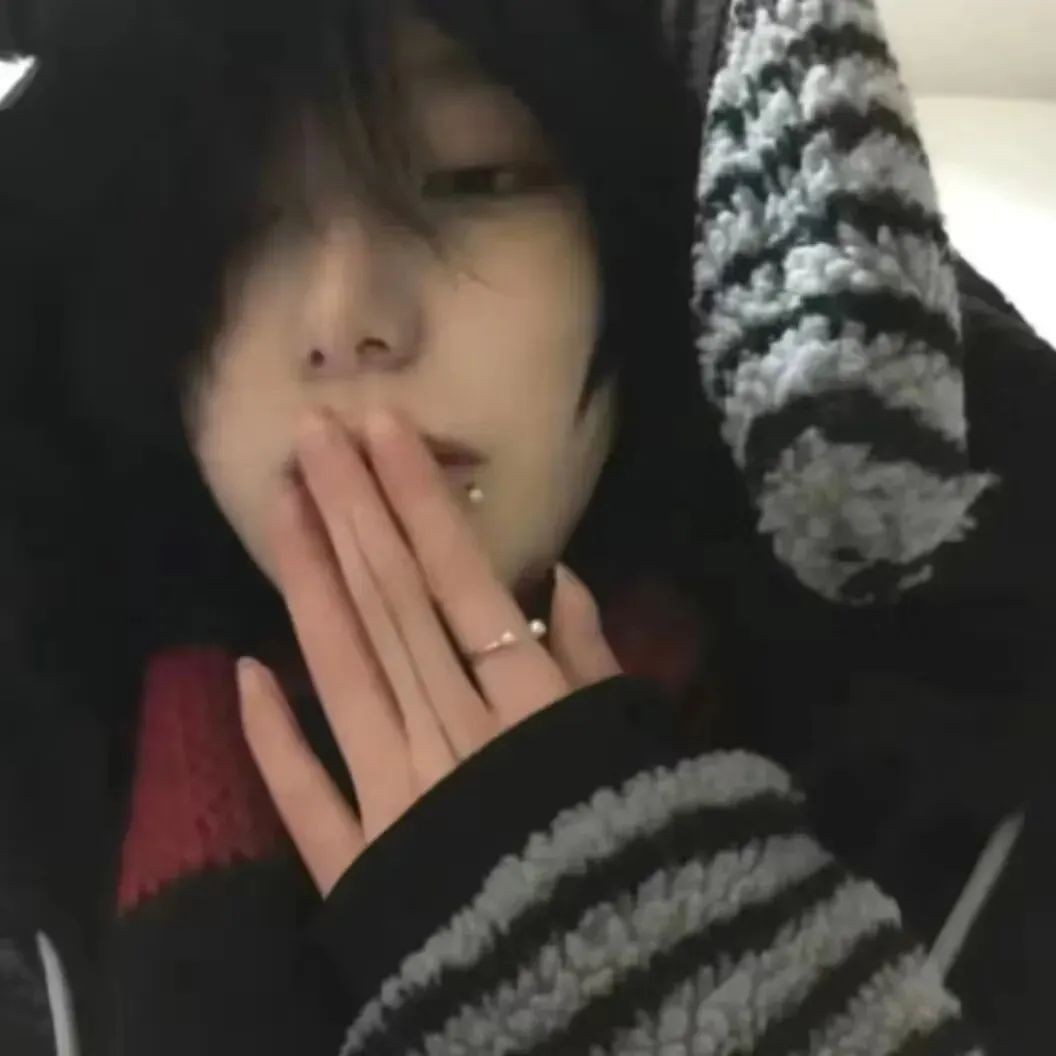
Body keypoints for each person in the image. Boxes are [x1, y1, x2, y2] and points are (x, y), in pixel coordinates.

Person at [0, 0, 1052, 1052]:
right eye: (228, 217)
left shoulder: (995, 772)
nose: (345, 318)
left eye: (476, 177)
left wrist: (665, 987)